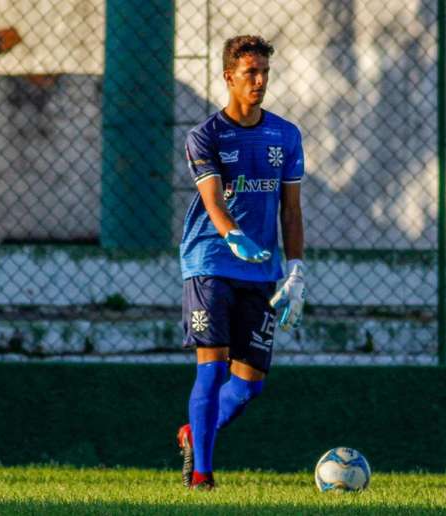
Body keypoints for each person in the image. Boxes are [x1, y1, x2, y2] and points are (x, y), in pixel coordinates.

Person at [176, 34, 306, 490]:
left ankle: (197, 433)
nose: (260, 81)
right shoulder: (205, 136)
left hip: (261, 271)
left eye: (265, 72)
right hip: (210, 261)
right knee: (211, 368)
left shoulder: (285, 135)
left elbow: (290, 210)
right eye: (251, 72)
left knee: (249, 385)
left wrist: (295, 272)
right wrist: (233, 236)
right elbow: (212, 199)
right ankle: (202, 476)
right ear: (229, 77)